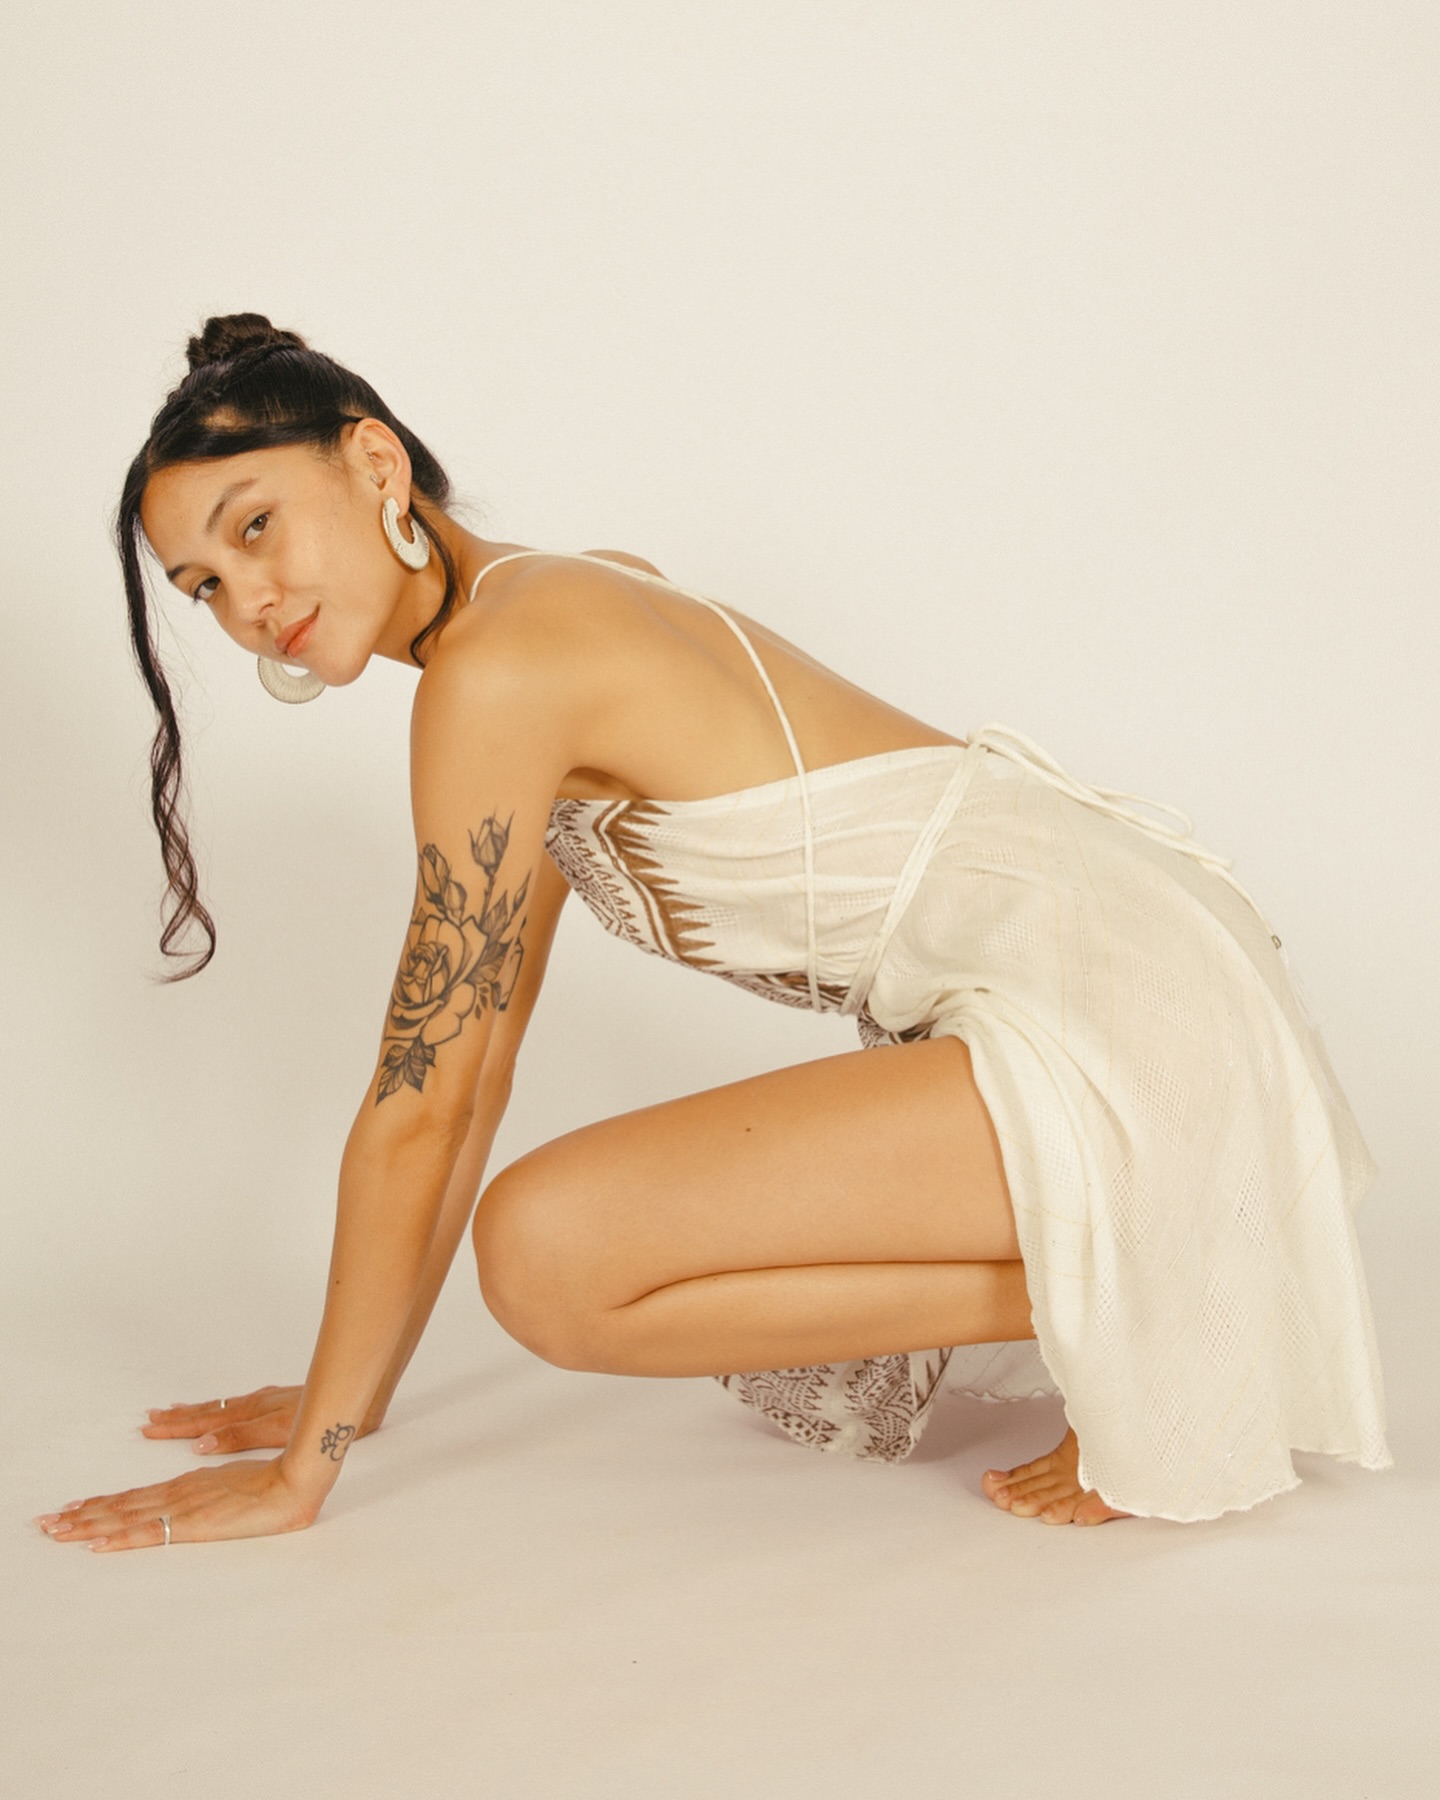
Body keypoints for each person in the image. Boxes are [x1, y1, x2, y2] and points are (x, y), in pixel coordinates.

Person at [35, 314, 1390, 1553]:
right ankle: (1160, 1267)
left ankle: (1170, 1279)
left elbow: (418, 1103)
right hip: (1120, 965)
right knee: (554, 1264)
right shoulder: (535, 612)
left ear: (374, 462)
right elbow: (473, 1066)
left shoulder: (500, 672)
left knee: (546, 1252)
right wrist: (352, 1391)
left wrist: (302, 1475)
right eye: (202, 584)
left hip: (1123, 998)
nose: (246, 600)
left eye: (255, 526)